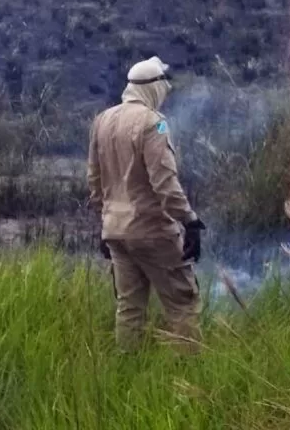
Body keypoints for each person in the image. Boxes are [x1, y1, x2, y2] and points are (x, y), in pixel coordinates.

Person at [87, 56, 206, 354]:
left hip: (115, 231)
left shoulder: (102, 120)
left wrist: (104, 223)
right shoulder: (156, 124)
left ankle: (126, 370)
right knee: (182, 302)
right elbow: (164, 183)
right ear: (153, 88)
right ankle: (188, 373)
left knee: (129, 307)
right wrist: (189, 221)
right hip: (152, 230)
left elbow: (95, 180)